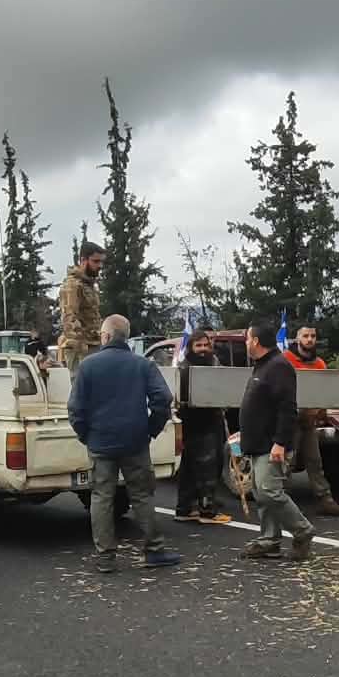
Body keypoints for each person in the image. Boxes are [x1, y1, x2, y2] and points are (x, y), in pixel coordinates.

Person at [68, 314, 180, 574]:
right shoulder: (142, 365)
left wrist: (86, 434)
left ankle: (106, 557)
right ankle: (154, 550)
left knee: (102, 497)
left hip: (100, 442)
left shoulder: (88, 366)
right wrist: (151, 429)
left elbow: (75, 409)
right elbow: (163, 400)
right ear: (126, 337)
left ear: (105, 336)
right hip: (135, 441)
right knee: (142, 495)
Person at [239, 319, 315, 561]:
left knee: (270, 491)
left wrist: (280, 442)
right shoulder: (262, 365)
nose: (246, 342)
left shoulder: (278, 366)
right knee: (262, 493)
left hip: (271, 444)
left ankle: (302, 531)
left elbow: (287, 408)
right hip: (258, 442)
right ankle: (269, 539)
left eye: (248, 338)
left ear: (257, 341)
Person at [172, 329, 231, 525]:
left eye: (206, 345)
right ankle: (207, 511)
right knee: (206, 467)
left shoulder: (214, 363)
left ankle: (185, 508)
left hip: (212, 420)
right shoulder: (184, 368)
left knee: (190, 468)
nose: (203, 349)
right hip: (196, 424)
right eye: (199, 345)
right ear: (191, 347)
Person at [284, 324, 339, 516]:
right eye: (305, 336)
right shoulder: (286, 359)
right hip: (289, 420)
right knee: (287, 462)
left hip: (308, 421)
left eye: (312, 336)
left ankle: (324, 499)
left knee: (314, 461)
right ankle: (282, 501)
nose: (309, 339)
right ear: (297, 338)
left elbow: (323, 392)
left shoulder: (319, 364)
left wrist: (319, 412)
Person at [57, 242, 106, 370]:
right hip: (81, 348)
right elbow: (69, 319)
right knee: (82, 388)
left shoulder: (88, 285)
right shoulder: (73, 285)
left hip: (93, 345)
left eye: (101, 262)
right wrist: (81, 350)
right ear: (83, 260)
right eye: (95, 261)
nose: (100, 266)